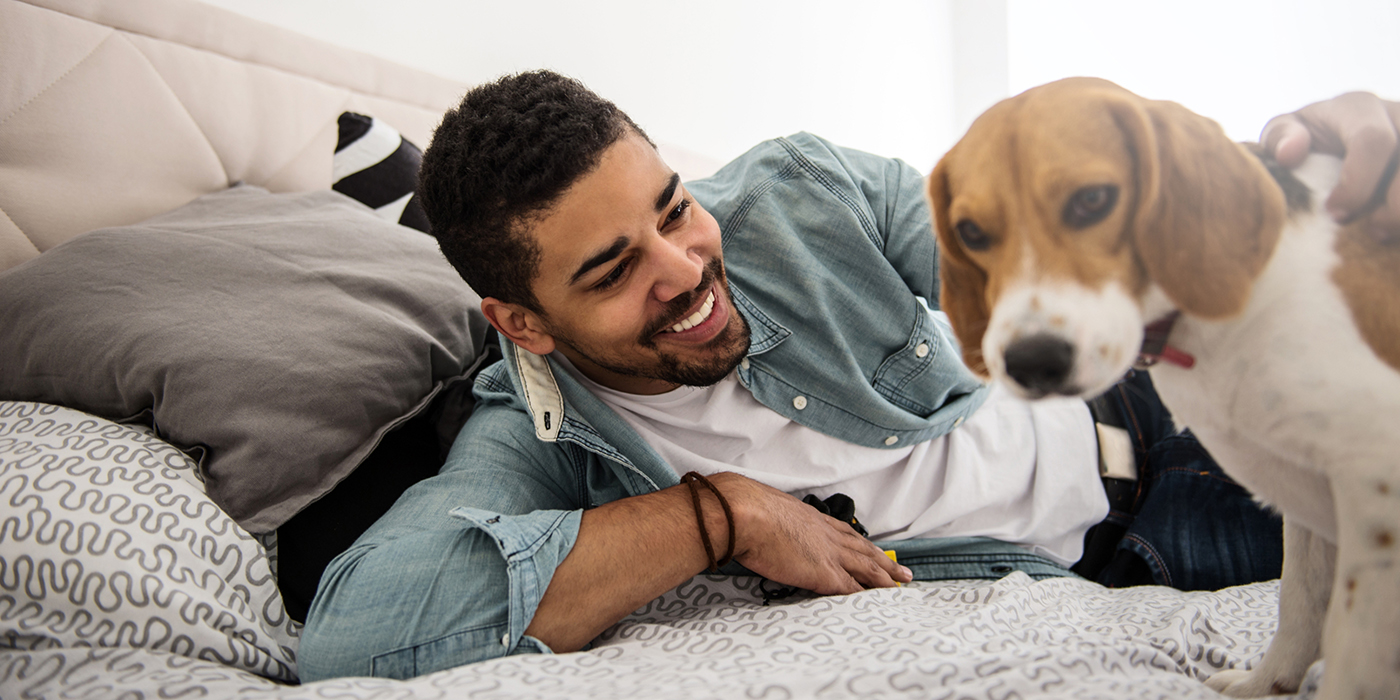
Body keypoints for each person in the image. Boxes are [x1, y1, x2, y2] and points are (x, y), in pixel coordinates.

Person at [297, 71, 1400, 682]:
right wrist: (713, 516)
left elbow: (1033, 233)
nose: (686, 271)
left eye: (674, 207)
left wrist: (1298, 161)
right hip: (1135, 548)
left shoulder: (802, 192)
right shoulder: (531, 432)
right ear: (521, 322)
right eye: (614, 268)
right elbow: (353, 631)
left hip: (1153, 397)